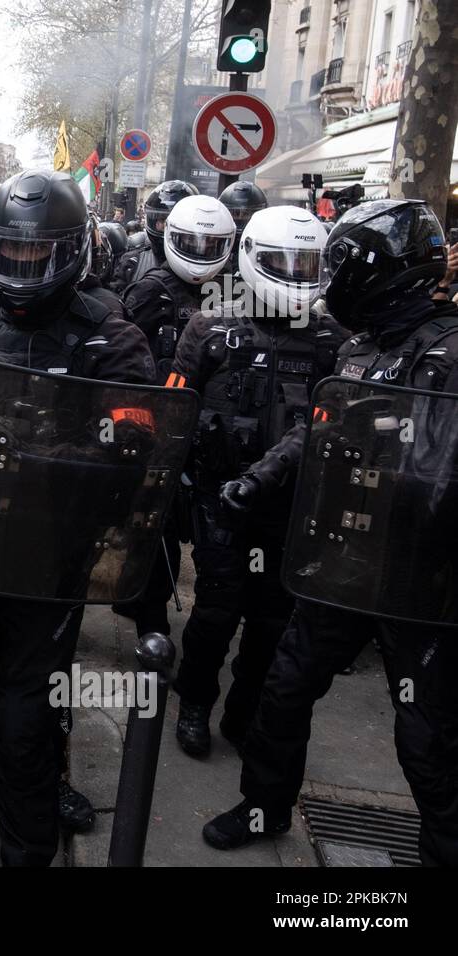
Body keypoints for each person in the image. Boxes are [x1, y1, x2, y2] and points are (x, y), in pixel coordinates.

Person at [202, 199, 458, 867]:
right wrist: (259, 479)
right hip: (348, 557)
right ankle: (264, 805)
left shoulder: (453, 353)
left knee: (428, 739)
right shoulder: (357, 348)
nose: (331, 278)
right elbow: (317, 425)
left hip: (426, 585)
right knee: (283, 690)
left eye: (341, 264)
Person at [0, 170, 156, 866]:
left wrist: (42, 443)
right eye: (12, 254)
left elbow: (136, 443)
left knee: (27, 715)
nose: (24, 268)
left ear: (71, 252)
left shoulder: (110, 333)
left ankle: (28, 848)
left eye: (38, 254)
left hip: (53, 553)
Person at [166, 206, 345, 757]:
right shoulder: (211, 324)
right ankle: (195, 702)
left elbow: (337, 417)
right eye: (280, 262)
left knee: (272, 618)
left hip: (290, 505)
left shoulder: (327, 338)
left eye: (304, 263)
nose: (292, 274)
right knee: (217, 609)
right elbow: (176, 398)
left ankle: (245, 712)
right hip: (222, 497)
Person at [115, 194, 236, 639]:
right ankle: (152, 624)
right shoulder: (149, 290)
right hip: (158, 424)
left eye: (212, 246)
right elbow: (122, 352)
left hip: (211, 431)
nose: (202, 255)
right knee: (154, 528)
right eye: (193, 243)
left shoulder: (236, 291)